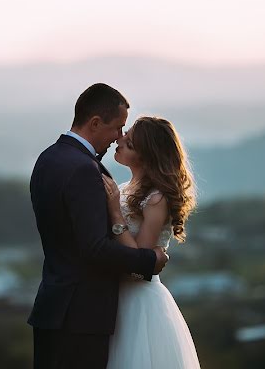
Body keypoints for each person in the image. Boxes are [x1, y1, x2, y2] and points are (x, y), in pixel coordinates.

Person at [28, 84, 169, 369]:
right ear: (95, 123)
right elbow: (94, 247)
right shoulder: (82, 168)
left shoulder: (49, 158)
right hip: (81, 316)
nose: (120, 136)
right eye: (117, 128)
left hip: (53, 306)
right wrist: (149, 260)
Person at [101, 115, 201, 369]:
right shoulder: (124, 188)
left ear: (146, 157)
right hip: (114, 297)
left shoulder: (156, 199)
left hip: (139, 304)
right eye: (126, 134)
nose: (119, 141)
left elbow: (139, 261)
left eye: (130, 143)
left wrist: (114, 212)